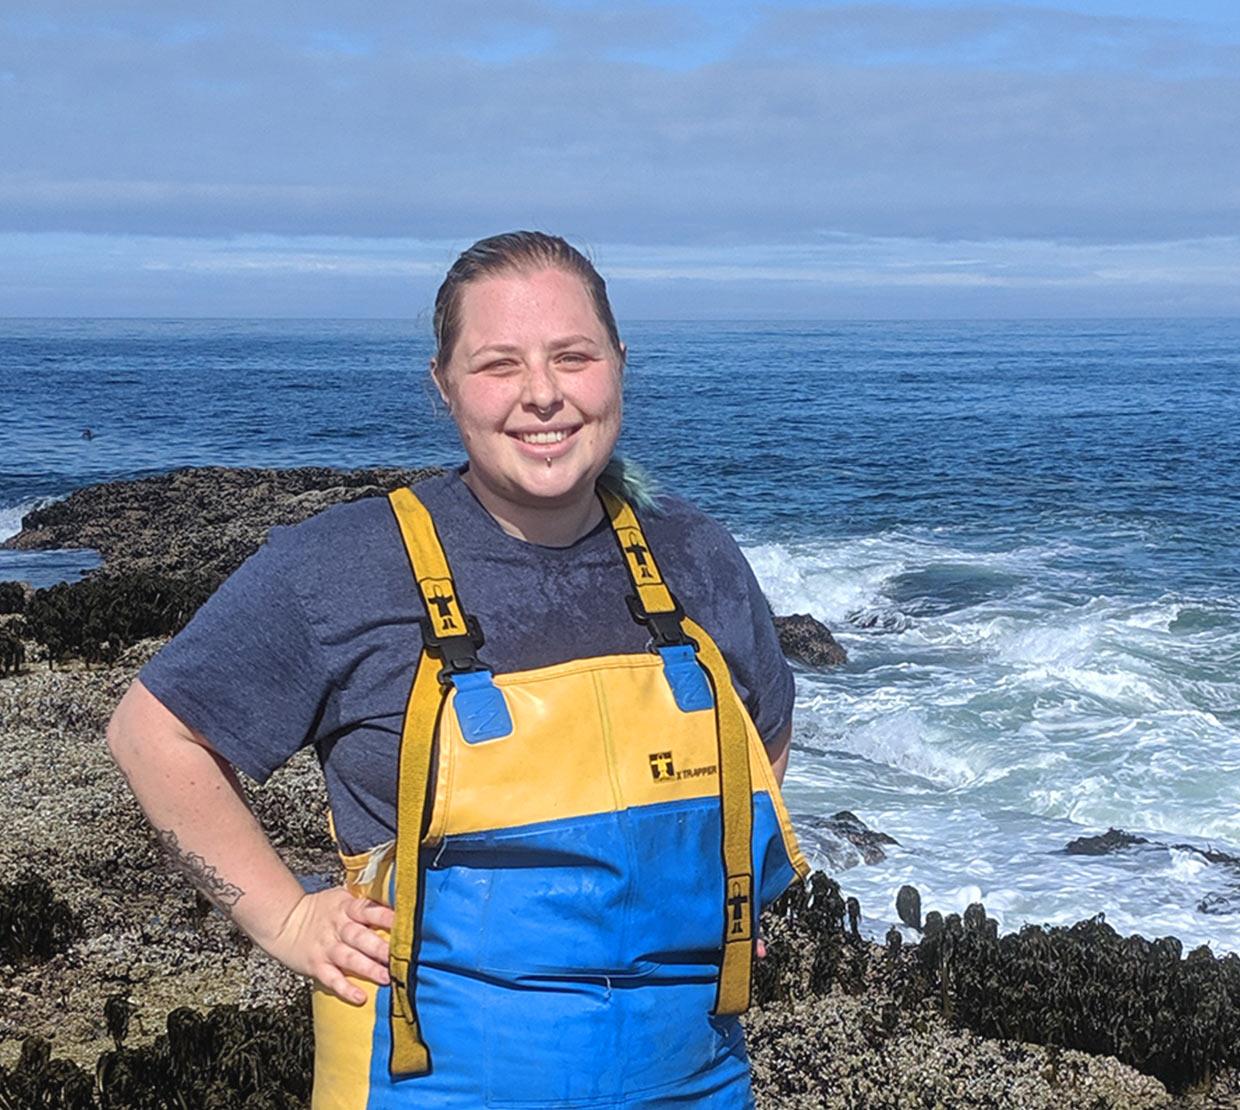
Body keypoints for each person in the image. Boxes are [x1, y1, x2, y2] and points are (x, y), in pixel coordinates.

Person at [107, 231, 808, 1107]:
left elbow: (763, 731)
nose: (543, 395)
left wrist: (724, 885)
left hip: (692, 1078)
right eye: (498, 365)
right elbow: (153, 733)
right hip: (426, 1082)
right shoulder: (343, 565)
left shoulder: (695, 555)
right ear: (443, 386)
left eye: (573, 356)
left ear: (620, 365)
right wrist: (285, 918)